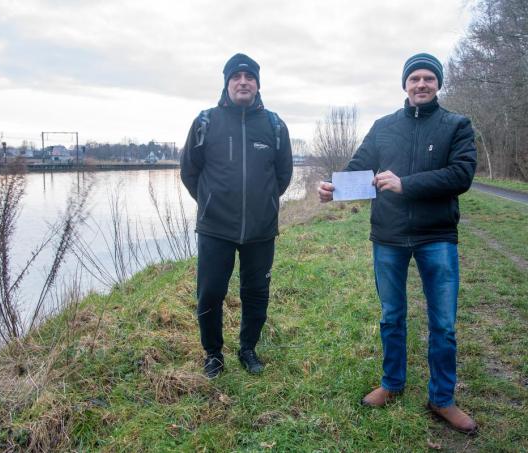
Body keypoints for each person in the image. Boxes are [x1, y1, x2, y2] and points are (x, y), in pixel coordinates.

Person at [318, 53, 478, 434]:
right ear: (404, 84)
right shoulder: (383, 126)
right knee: (391, 316)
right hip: (388, 237)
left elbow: (461, 175)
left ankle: (442, 398)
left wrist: (407, 184)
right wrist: (331, 187)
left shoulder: (457, 125)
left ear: (438, 84)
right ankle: (392, 384)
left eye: (428, 78)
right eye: (414, 79)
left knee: (443, 324)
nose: (421, 84)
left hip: (436, 236)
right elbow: (358, 168)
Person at [180, 53, 293, 379]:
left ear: (257, 85)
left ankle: (248, 348)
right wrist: (211, 201)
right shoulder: (206, 122)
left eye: (249, 77)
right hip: (216, 227)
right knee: (211, 292)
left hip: (261, 228)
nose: (243, 82)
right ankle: (213, 354)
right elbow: (190, 172)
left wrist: (265, 201)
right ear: (227, 83)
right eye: (236, 77)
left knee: (256, 292)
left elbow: (283, 175)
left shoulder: (274, 125)